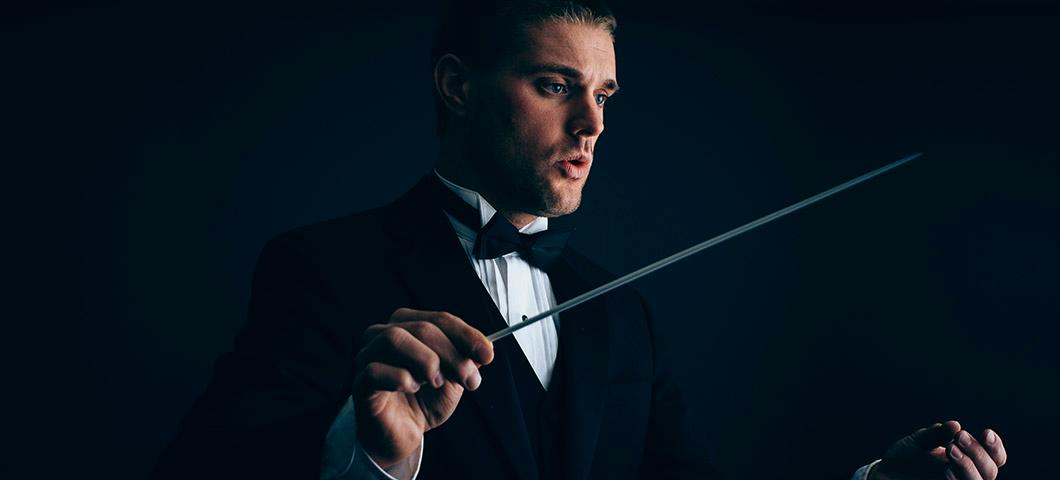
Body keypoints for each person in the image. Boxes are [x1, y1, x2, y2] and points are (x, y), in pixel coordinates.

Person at [153, 1, 1008, 479]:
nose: (593, 122)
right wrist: (365, 453)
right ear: (456, 86)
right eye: (557, 84)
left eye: (604, 92)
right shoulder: (322, 267)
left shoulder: (622, 312)